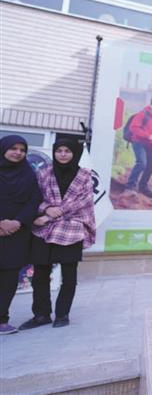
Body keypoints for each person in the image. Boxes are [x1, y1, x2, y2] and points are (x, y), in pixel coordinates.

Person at [18, 139, 95, 330]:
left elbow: (83, 201)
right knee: (40, 275)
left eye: (67, 151)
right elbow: (35, 195)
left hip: (71, 228)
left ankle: (62, 314)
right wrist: (46, 209)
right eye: (59, 150)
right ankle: (41, 315)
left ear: (75, 153)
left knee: (69, 276)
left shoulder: (85, 175)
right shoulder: (44, 172)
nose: (62, 154)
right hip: (44, 229)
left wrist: (51, 214)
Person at [0, 135, 43, 335]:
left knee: (9, 278)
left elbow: (34, 200)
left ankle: (2, 319)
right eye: (13, 148)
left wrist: (16, 222)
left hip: (17, 233)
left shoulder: (28, 174)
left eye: (22, 149)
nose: (18, 153)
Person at [124, 97, 152, 197]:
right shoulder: (142, 114)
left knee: (151, 165)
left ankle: (143, 187)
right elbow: (133, 128)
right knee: (141, 163)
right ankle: (129, 187)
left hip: (151, 145)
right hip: (139, 142)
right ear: (151, 105)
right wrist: (148, 136)